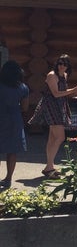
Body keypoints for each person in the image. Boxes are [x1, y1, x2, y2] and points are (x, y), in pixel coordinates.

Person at [28, 54, 77, 178]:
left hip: (59, 106)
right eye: (60, 63)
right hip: (51, 106)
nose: (62, 66)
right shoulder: (52, 75)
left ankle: (49, 166)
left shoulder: (64, 75)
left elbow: (62, 93)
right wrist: (73, 90)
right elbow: (56, 94)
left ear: (68, 66)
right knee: (60, 137)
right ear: (57, 64)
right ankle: (49, 166)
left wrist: (73, 94)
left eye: (65, 64)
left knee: (53, 138)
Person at [0, 60, 29, 188]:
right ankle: (8, 179)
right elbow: (25, 108)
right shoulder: (23, 88)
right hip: (14, 119)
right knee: (12, 150)